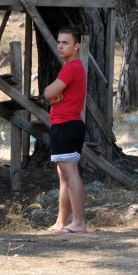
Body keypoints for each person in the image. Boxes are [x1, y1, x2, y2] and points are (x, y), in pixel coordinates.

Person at [44, 26, 88, 234]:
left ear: (77, 46)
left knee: (70, 172)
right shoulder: (69, 67)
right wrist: (53, 96)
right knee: (63, 174)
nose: (60, 46)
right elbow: (52, 95)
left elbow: (48, 92)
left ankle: (78, 222)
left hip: (66, 124)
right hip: (64, 124)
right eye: (59, 42)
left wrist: (52, 95)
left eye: (66, 43)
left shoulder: (72, 67)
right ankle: (62, 221)